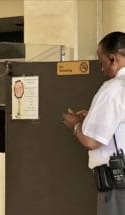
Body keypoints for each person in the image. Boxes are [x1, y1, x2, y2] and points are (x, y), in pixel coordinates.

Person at [62, 31, 125, 215]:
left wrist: (75, 125)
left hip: (118, 183)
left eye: (101, 62)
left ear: (112, 58)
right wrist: (93, 116)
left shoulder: (113, 89)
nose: (101, 69)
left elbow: (91, 141)